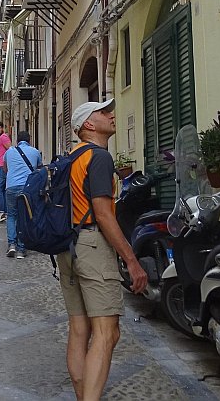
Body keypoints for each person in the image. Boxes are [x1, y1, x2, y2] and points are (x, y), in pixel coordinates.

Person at [57, 99, 147, 400]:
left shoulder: (72, 157)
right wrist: (132, 261)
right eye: (103, 112)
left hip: (67, 247)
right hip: (92, 245)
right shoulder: (99, 158)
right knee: (107, 333)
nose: (111, 114)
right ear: (89, 125)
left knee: (80, 330)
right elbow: (104, 214)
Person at [3, 130, 41, 259]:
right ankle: (21, 248)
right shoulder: (35, 152)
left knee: (11, 216)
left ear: (17, 141)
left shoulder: (9, 152)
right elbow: (39, 169)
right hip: (28, 188)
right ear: (29, 140)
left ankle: (11, 245)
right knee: (24, 216)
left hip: (11, 187)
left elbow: (5, 169)